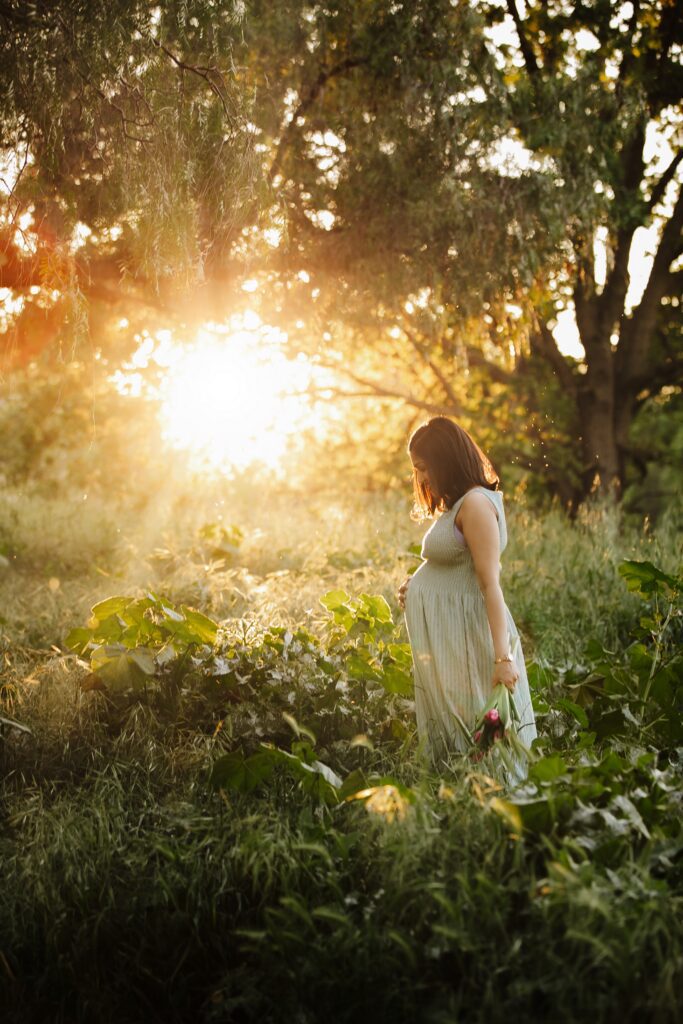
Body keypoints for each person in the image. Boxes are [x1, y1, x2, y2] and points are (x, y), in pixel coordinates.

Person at [398, 416, 536, 772]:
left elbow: (490, 583)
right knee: (461, 733)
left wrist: (502, 660)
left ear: (444, 460)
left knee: (483, 733)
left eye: (424, 468)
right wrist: (418, 590)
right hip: (451, 638)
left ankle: (492, 804)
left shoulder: (475, 505)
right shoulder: (456, 504)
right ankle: (461, 799)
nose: (421, 479)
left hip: (470, 637)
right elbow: (455, 568)